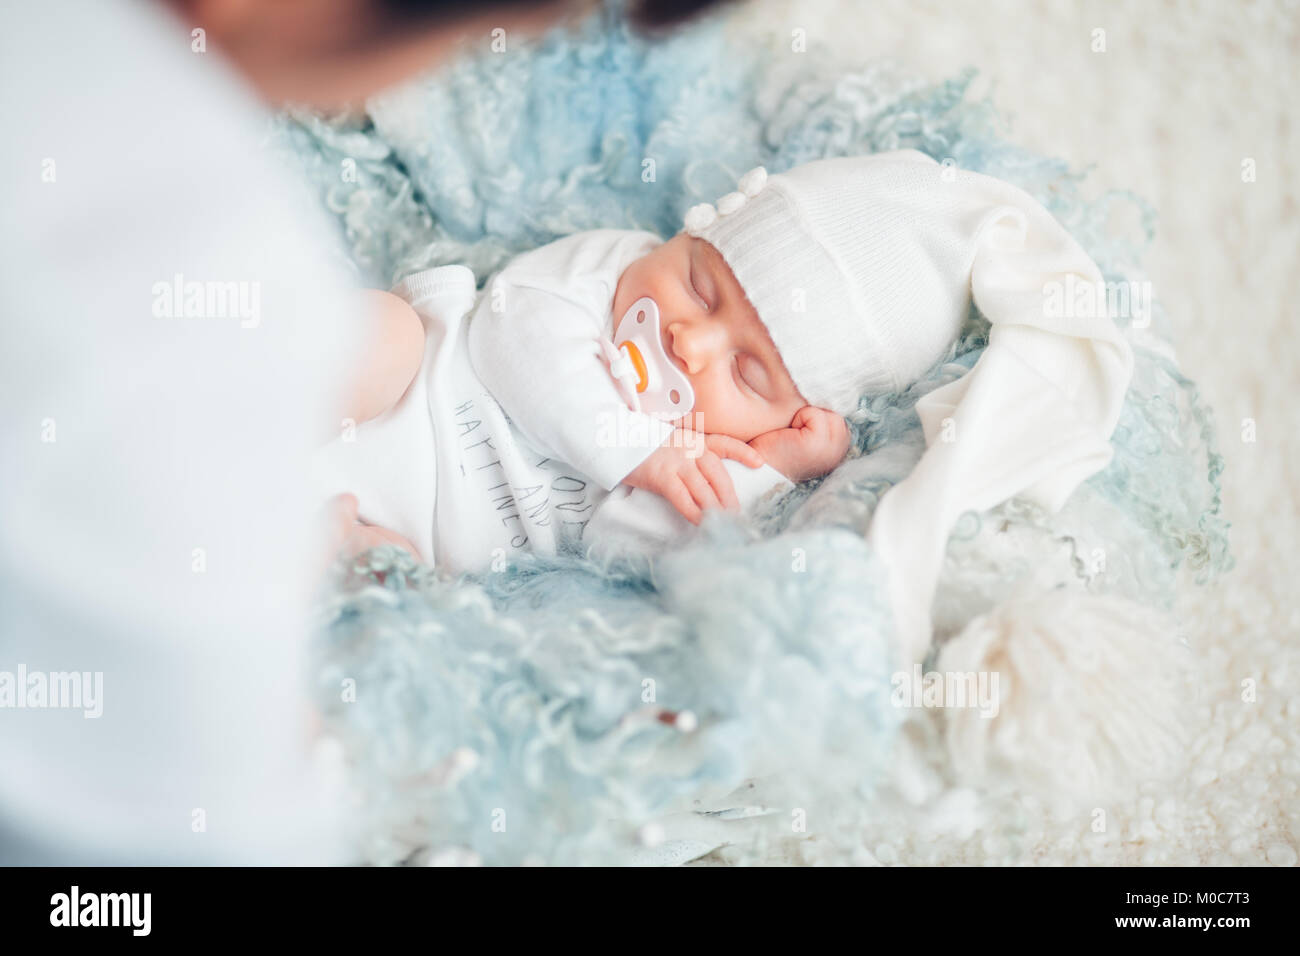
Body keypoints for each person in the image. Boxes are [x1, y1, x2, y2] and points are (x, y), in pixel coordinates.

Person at [0, 0, 727, 865]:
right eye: (463, 40)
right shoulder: (202, 263)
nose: (691, 341)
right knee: (380, 343)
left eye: (750, 372)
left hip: (331, 511)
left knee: (384, 576)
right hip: (310, 444)